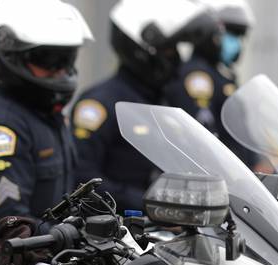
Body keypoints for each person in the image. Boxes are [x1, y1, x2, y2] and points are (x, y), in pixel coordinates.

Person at [0, 0, 94, 243]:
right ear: (10, 57)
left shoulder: (47, 116)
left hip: (50, 260)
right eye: (47, 60)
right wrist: (79, 237)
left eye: (65, 59)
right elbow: (13, 226)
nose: (59, 70)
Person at [70, 0, 218, 212]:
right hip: (114, 233)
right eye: (168, 51)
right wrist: (148, 204)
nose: (176, 60)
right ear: (140, 50)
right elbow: (81, 179)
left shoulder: (163, 101)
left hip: (161, 231)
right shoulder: (100, 104)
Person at [163, 0, 259, 167]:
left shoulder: (220, 76)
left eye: (239, 35)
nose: (236, 42)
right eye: (231, 33)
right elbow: (204, 138)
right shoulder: (197, 77)